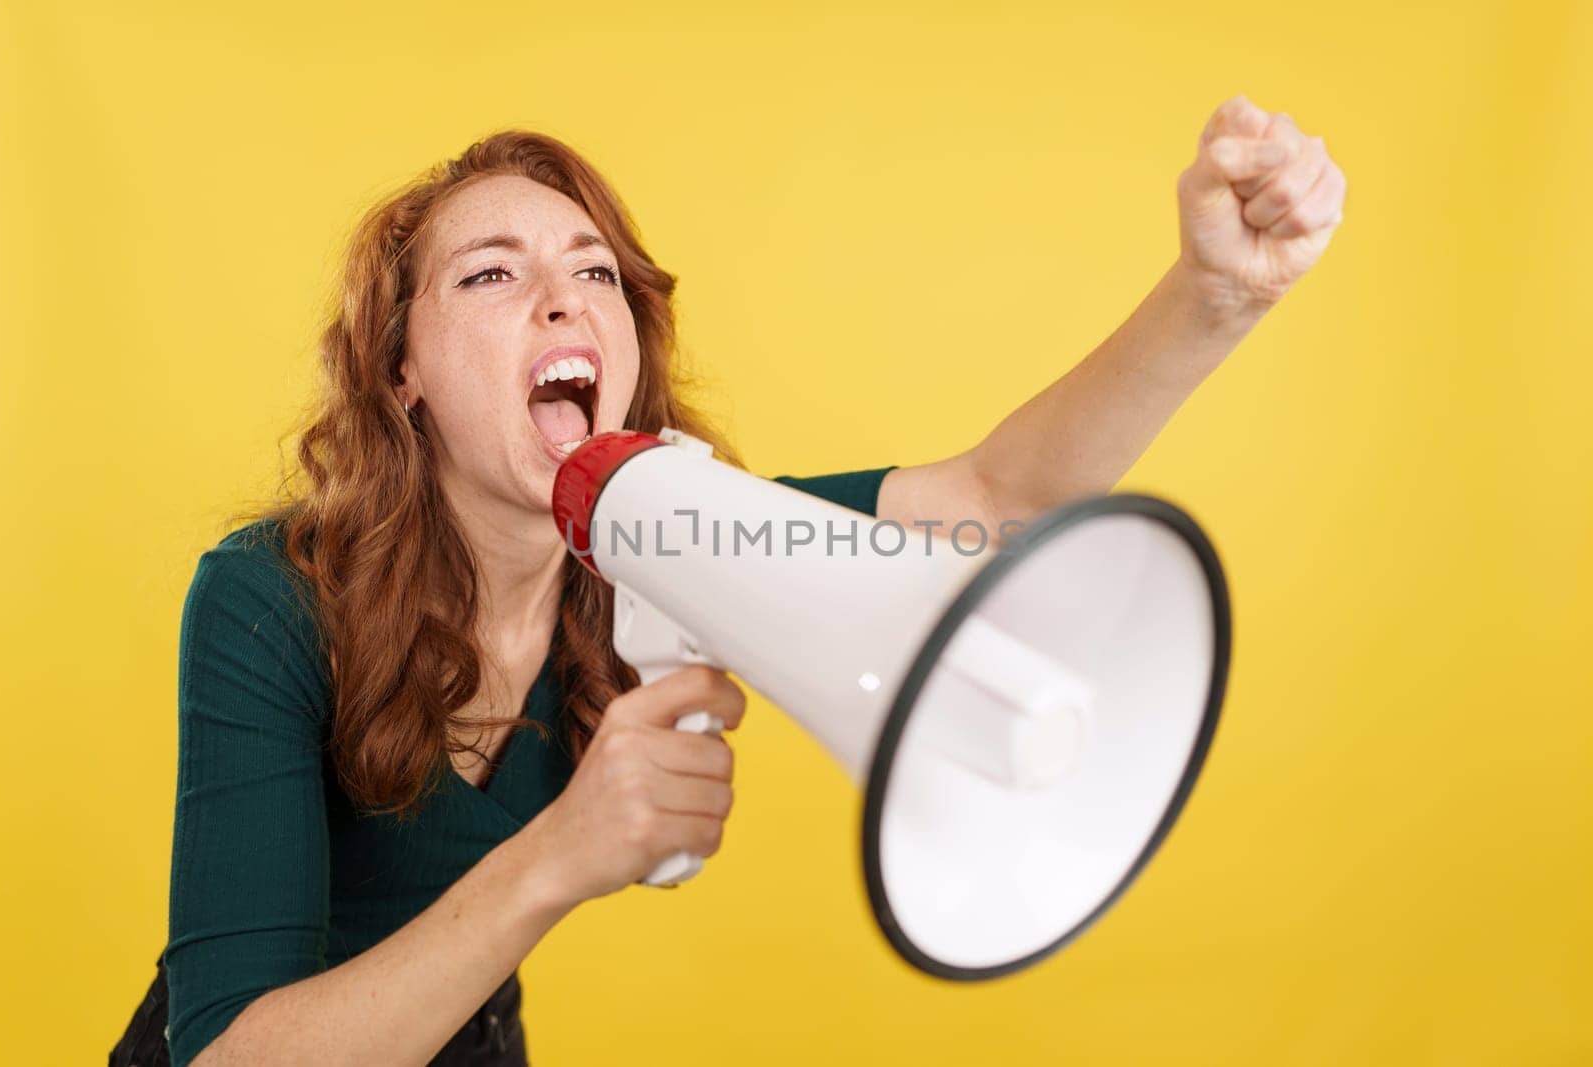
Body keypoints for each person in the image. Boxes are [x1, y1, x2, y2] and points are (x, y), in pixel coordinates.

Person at [112, 94, 1344, 1066]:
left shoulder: (691, 537)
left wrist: (1215, 293)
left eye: (595, 273)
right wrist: (559, 854)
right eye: (491, 274)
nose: (559, 300)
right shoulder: (268, 600)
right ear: (402, 374)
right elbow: (231, 1053)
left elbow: (991, 507)